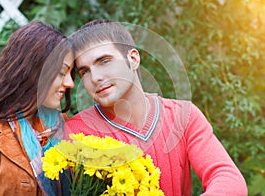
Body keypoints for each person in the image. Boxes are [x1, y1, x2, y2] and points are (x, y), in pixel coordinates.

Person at [65, 19, 248, 195]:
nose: (95, 77)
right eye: (85, 71)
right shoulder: (78, 133)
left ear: (133, 58)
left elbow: (228, 179)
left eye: (104, 61)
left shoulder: (183, 116)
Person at [0, 21, 74, 195]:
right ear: (32, 70)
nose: (70, 83)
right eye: (62, 72)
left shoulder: (65, 127)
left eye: (71, 74)